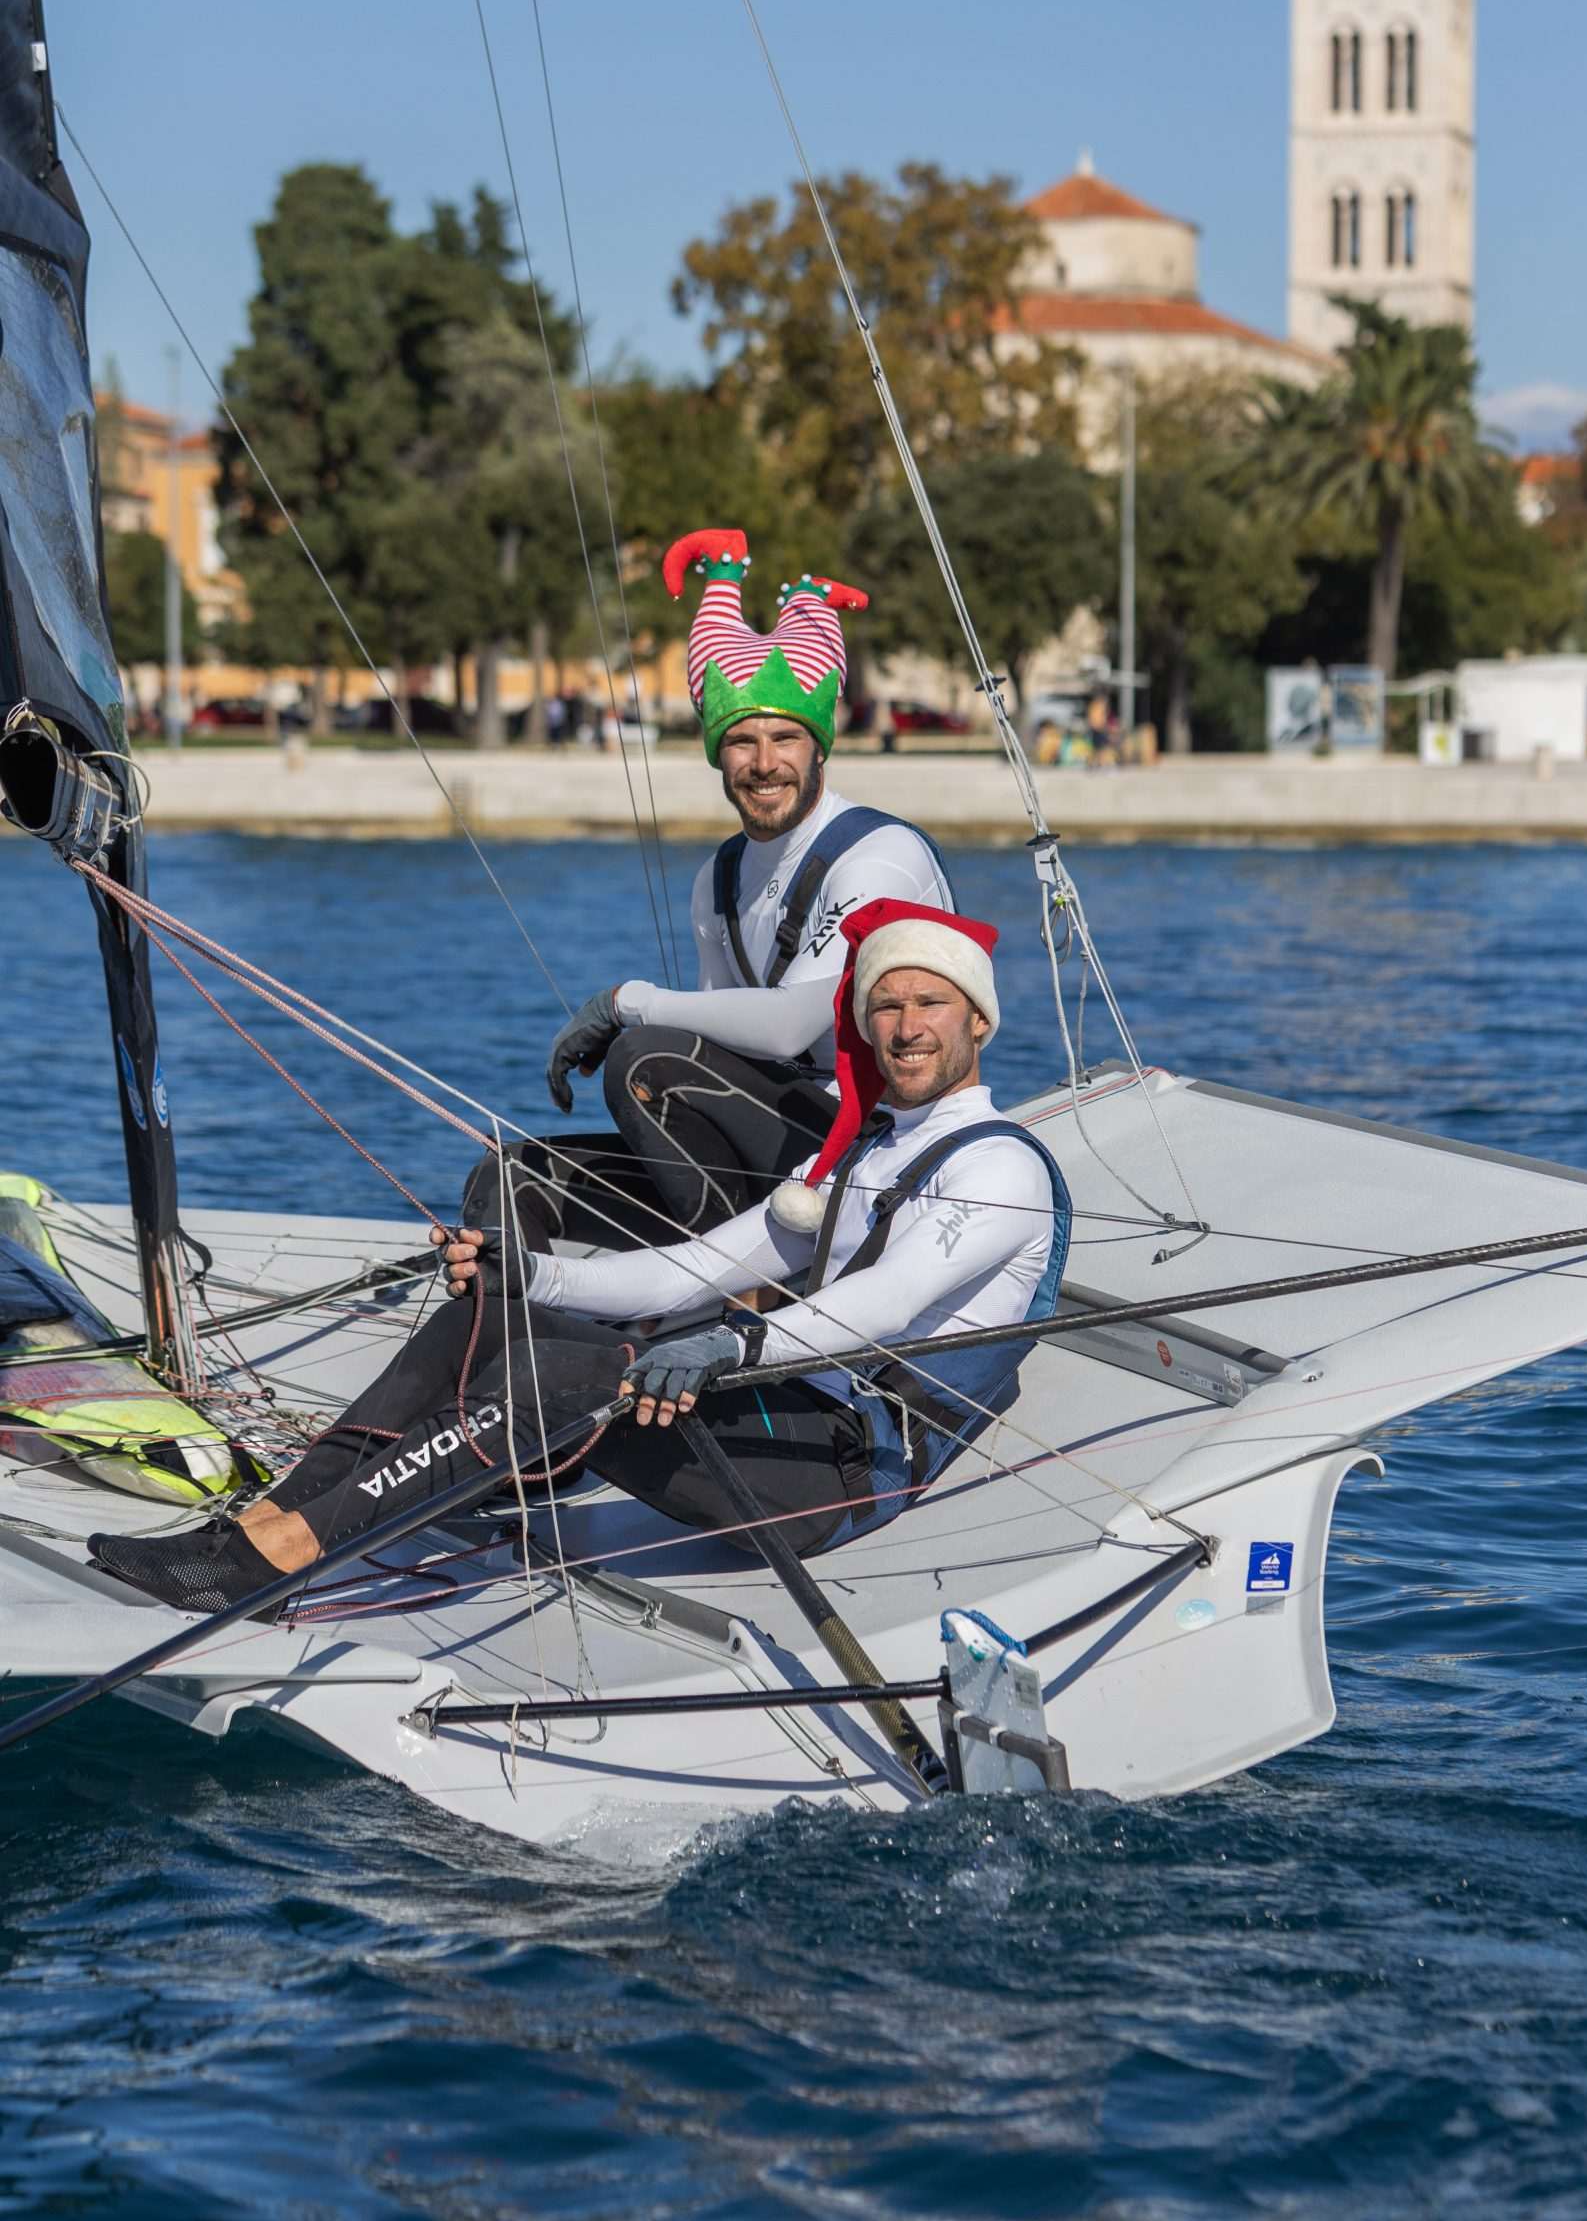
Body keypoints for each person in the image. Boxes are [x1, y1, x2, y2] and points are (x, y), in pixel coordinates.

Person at [89, 902, 1072, 1614]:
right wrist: (533, 1274)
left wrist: (732, 1350)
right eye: (886, 1004)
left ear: (977, 1020)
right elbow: (690, 1270)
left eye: (930, 1004)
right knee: (489, 1321)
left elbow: (884, 1309)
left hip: (849, 1471)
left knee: (560, 1373)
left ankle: (287, 1556)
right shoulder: (862, 1153)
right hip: (790, 1416)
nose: (905, 1025)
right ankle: (265, 1525)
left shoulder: (1000, 1167)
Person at [463, 527, 954, 1253]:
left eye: (784, 739)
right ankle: (523, 1331)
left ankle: (701, 1291)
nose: (764, 764)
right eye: (739, 742)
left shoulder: (877, 856)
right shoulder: (716, 880)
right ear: (715, 755)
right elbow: (723, 1038)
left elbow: (789, 1025)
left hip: (884, 1153)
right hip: (777, 1152)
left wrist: (625, 1004)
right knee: (508, 1176)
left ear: (818, 746)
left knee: (646, 1059)